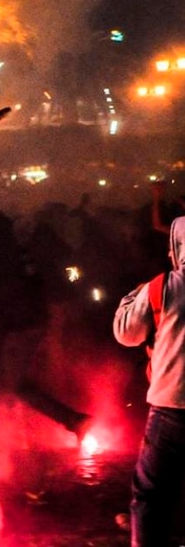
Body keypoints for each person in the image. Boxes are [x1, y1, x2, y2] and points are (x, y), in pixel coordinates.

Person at [114, 216, 185, 547]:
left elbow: (126, 332)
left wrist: (135, 294)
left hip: (172, 409)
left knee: (151, 497)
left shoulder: (165, 287)